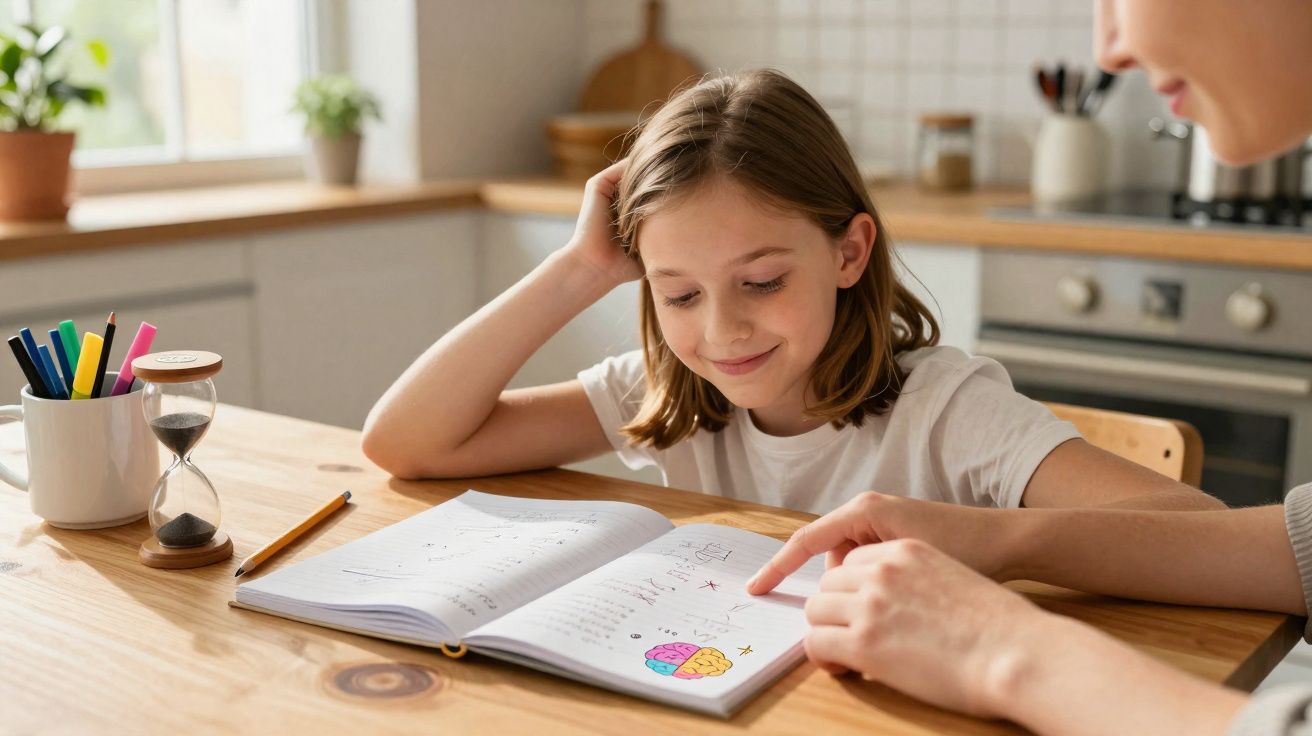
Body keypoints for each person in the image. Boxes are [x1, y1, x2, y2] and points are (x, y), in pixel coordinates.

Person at [748, 1, 1312, 733]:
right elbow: (1295, 550)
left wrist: (1001, 651)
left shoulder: (945, 400)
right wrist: (999, 539)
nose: (1109, 50)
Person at [362, 69, 1222, 520]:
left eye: (762, 282)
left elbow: (1200, 528)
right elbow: (404, 443)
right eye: (679, 293)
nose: (722, 329)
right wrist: (579, 269)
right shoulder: (671, 392)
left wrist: (978, 541)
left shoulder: (946, 412)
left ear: (849, 251)